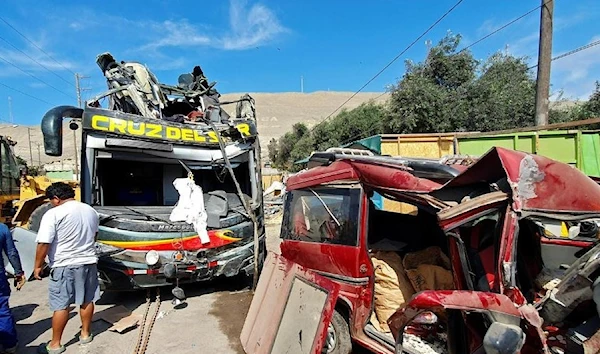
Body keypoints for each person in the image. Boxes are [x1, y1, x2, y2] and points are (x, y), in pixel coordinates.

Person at [34, 182, 100, 354]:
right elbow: (95, 235)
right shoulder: (90, 210)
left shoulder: (53, 214)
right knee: (87, 299)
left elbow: (44, 243)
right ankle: (85, 334)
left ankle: (55, 345)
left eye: (50, 200)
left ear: (56, 199)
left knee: (61, 305)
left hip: (64, 264)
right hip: (88, 261)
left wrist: (37, 266)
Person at [0, 223, 25, 354]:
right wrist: (18, 272)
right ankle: (10, 346)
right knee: (2, 311)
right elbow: (11, 252)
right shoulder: (2, 228)